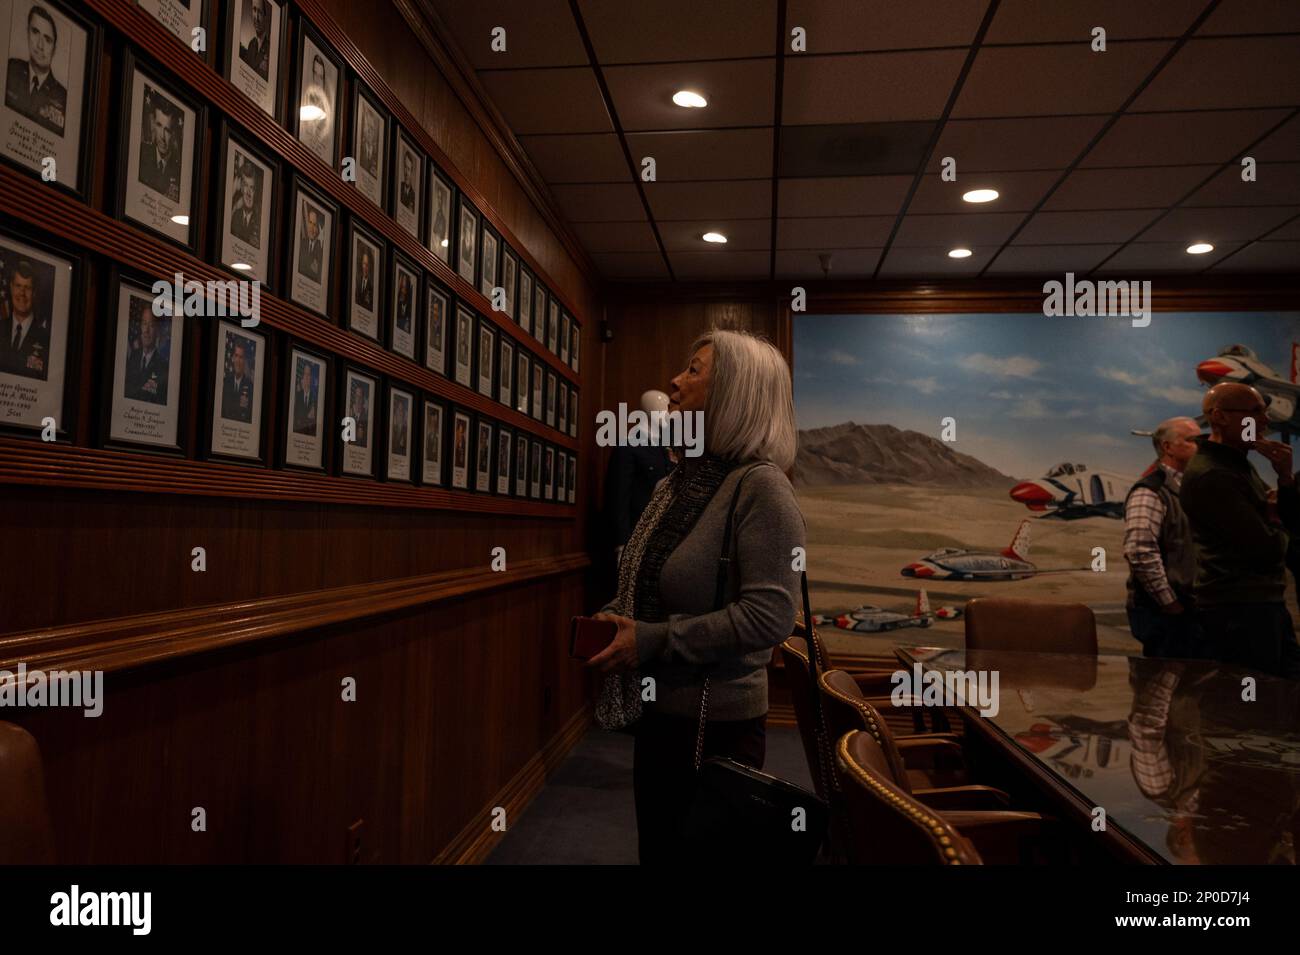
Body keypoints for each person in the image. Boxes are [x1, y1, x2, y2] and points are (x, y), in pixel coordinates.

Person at [589, 329, 805, 864]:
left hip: (717, 729)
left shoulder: (762, 487)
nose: (674, 381)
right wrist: (620, 618)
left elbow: (771, 616)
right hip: (661, 715)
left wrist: (654, 639)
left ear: (735, 391)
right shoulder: (679, 480)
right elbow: (648, 579)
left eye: (693, 370)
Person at [1180, 382, 1300, 679]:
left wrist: (1284, 478)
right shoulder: (1213, 474)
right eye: (1256, 412)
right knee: (1250, 709)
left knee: (1280, 697)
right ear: (1219, 417)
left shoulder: (1237, 465)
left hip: (1259, 606)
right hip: (1240, 612)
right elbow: (1269, 550)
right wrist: (1274, 515)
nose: (1266, 421)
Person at [1123, 417, 1202, 658]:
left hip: (1191, 611)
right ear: (1167, 447)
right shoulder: (1150, 491)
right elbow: (1139, 551)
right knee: (1165, 688)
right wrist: (1170, 605)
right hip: (1167, 616)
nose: (1200, 447)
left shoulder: (1192, 488)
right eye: (1192, 441)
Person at [604, 390, 674, 568]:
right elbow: (618, 497)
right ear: (648, 412)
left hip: (662, 541)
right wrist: (622, 545)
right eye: (663, 409)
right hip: (636, 538)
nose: (668, 414)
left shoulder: (667, 448)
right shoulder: (628, 446)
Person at [6, 4, 67, 136]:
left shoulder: (63, 97)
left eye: (47, 39)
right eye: (35, 32)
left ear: (54, 49)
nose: (40, 45)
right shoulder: (10, 68)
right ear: (27, 33)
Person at [0, 260, 50, 379]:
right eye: (18, 286)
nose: (22, 293)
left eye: (27, 287)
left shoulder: (46, 339)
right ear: (11, 287)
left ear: (34, 293)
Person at [138, 98, 181, 201]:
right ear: (153, 125)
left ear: (174, 134)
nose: (162, 136)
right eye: (159, 125)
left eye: (168, 130)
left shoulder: (178, 171)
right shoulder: (141, 154)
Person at [124, 311, 167, 403]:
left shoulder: (163, 366)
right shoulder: (132, 356)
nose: (146, 330)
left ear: (157, 331)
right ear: (141, 326)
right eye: (144, 324)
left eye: (151, 325)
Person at [229, 159, 261, 247]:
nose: (248, 193)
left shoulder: (259, 220)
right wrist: (234, 207)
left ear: (255, 192)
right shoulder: (235, 215)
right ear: (241, 188)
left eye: (252, 188)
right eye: (246, 186)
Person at [221, 340, 253, 422]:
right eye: (236, 356)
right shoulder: (225, 382)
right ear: (233, 358)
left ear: (244, 361)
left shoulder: (250, 386)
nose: (238, 361)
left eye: (241, 357)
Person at [238, 0, 271, 80]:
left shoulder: (270, 50)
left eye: (260, 12)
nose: (256, 18)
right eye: (254, 10)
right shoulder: (252, 44)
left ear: (265, 17)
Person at [291, 360, 316, 435]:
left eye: (308, 375)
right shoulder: (297, 396)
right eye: (305, 374)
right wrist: (307, 417)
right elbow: (296, 419)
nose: (306, 377)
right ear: (302, 377)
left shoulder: (315, 399)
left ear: (311, 378)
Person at [299, 205, 322, 282]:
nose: (312, 228)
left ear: (318, 228)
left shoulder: (320, 250)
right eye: (310, 222)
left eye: (314, 225)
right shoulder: (301, 243)